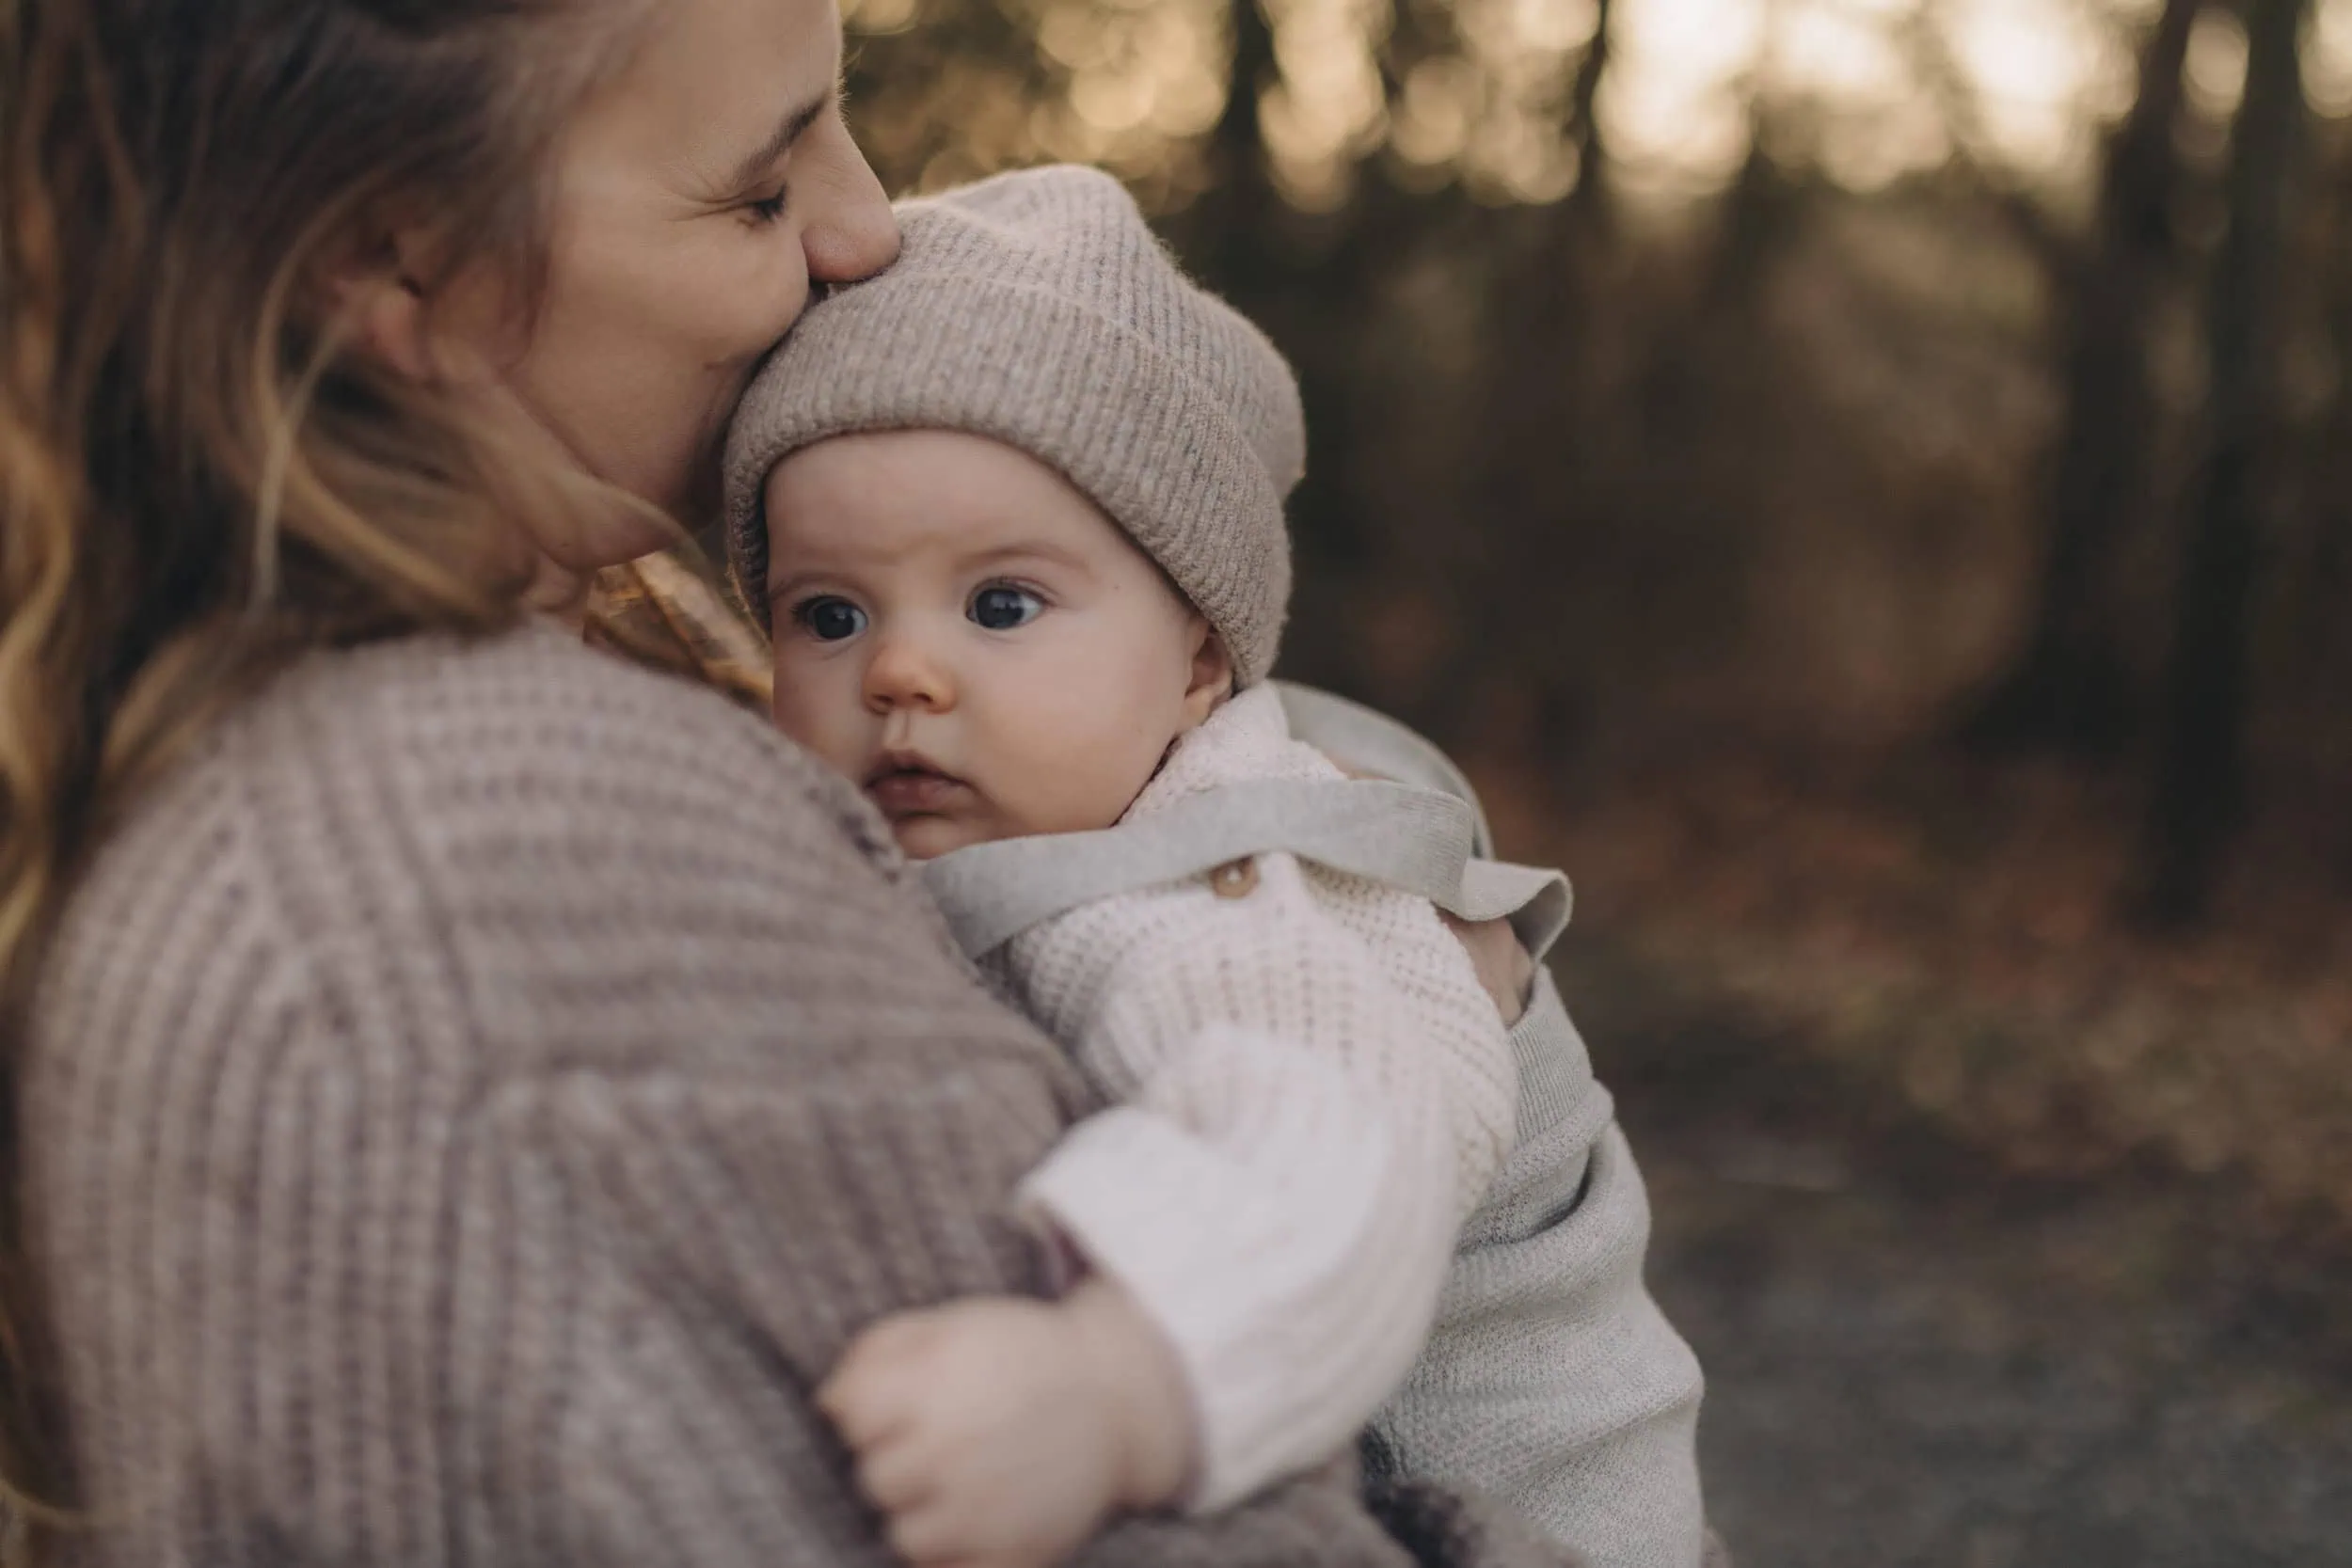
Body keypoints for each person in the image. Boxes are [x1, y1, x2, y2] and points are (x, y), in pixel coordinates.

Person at [0, 3, 1573, 1566]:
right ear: (396, 258)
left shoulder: (269, 758)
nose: (865, 225)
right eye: (759, 190)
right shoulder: (476, 849)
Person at [722, 166, 1710, 1568]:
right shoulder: (1041, 801)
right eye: (827, 612)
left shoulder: (1234, 880)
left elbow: (1326, 1151)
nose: (900, 669)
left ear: (1198, 657)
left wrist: (1113, 1390)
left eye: (1002, 603)